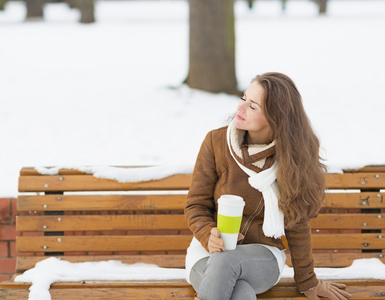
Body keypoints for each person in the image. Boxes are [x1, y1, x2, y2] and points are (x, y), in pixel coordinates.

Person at [184, 72, 352, 300]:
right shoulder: (216, 142)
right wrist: (207, 234)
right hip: (207, 254)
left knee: (226, 264)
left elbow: (297, 223)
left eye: (253, 106)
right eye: (244, 98)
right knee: (240, 293)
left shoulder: (292, 159)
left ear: (276, 118)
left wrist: (308, 281)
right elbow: (196, 205)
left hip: (262, 257)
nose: (240, 109)